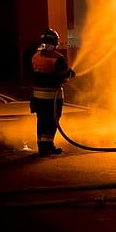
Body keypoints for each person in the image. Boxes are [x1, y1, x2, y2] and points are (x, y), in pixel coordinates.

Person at [30, 28, 75, 156]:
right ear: (56, 42)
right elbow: (64, 76)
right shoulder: (58, 58)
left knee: (42, 120)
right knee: (52, 121)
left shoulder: (36, 56)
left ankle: (42, 147)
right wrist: (71, 73)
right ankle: (48, 145)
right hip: (52, 97)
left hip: (37, 96)